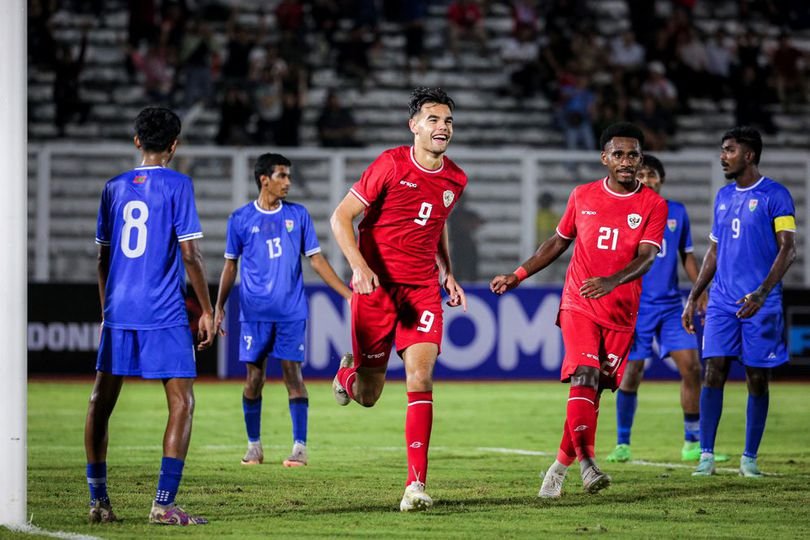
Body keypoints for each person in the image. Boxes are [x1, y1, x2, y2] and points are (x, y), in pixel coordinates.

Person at [490, 122, 667, 498]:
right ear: (604, 158)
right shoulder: (583, 195)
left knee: (594, 391)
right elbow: (557, 242)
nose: (626, 161)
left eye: (632, 154)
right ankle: (588, 466)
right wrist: (518, 274)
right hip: (579, 302)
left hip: (620, 311)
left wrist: (613, 281)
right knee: (584, 375)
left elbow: (648, 257)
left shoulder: (653, 204)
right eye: (618, 154)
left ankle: (557, 468)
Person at [329, 87, 467, 512]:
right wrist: (358, 266)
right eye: (433, 119)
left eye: (447, 121)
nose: (441, 127)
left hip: (422, 291)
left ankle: (415, 485)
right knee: (369, 396)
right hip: (375, 290)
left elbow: (438, 222)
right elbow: (341, 217)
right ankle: (347, 378)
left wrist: (447, 272)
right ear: (414, 126)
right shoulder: (390, 164)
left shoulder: (455, 178)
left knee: (420, 378)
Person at [84, 107, 215, 526]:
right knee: (182, 401)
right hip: (163, 309)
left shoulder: (113, 187)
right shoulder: (179, 185)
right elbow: (190, 254)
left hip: (119, 308)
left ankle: (99, 501)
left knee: (101, 402)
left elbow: (102, 258)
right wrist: (208, 309)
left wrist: (107, 309)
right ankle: (162, 504)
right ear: (174, 146)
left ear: (136, 140)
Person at [214, 153, 352, 468]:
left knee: (293, 374)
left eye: (288, 176)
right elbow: (230, 266)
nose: (288, 182)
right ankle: (254, 447)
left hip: (290, 312)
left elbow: (316, 261)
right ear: (264, 179)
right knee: (254, 378)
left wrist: (347, 294)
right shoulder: (240, 219)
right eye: (282, 176)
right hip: (254, 313)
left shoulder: (298, 216)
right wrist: (218, 307)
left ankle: (299, 448)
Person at [682, 127, 796, 477]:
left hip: (761, 302)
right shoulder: (723, 196)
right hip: (721, 301)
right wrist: (694, 294)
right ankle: (706, 455)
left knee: (756, 377)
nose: (722, 156)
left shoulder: (776, 195)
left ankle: (749, 458)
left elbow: (788, 249)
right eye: (722, 150)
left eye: (729, 150)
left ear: (749, 155)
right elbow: (714, 251)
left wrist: (761, 293)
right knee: (713, 370)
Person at [604, 154, 708, 464]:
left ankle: (692, 441)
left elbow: (686, 256)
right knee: (632, 372)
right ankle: (623, 442)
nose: (648, 180)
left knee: (691, 367)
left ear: (661, 179)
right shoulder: (625, 209)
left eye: (653, 175)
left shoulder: (676, 212)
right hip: (635, 305)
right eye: (643, 174)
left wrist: (700, 290)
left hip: (669, 305)